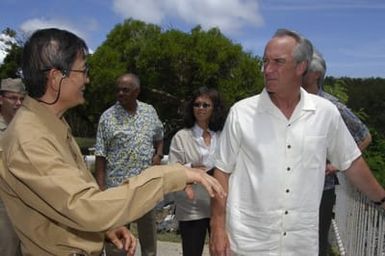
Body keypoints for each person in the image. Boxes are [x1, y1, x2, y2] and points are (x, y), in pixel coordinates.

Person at [0, 28, 225, 256]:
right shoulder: (30, 139)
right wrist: (170, 176)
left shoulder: (51, 125)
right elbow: (85, 206)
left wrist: (105, 227)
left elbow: (69, 198)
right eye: (83, 70)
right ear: (57, 77)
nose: (87, 79)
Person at [209, 28, 385, 255]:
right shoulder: (241, 113)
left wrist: (382, 199)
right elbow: (221, 172)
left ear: (301, 67)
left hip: (300, 245)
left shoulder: (325, 113)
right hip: (248, 243)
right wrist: (217, 228)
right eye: (265, 61)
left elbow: (351, 163)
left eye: (278, 62)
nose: (268, 69)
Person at [302, 50, 372, 256]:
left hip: (321, 189)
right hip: (290, 186)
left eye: (303, 69)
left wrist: (337, 165)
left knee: (316, 244)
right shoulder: (291, 102)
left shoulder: (332, 106)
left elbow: (364, 136)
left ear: (316, 74)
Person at [95, 73, 164, 256]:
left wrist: (158, 154)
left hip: (145, 188)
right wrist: (100, 189)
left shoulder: (149, 112)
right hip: (117, 190)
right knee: (117, 243)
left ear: (136, 91)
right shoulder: (107, 117)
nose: (120, 93)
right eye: (117, 89)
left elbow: (159, 136)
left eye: (125, 90)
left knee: (149, 241)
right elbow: (100, 155)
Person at [168, 87, 226, 256]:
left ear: (214, 108)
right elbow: (172, 169)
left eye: (205, 105)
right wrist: (193, 170)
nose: (200, 108)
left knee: (221, 251)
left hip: (219, 206)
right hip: (192, 207)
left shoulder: (223, 135)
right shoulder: (181, 137)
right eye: (197, 104)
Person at [0, 78, 26, 256]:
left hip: (26, 203)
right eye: (13, 98)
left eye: (21, 99)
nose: (18, 103)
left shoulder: (25, 128)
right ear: (1, 99)